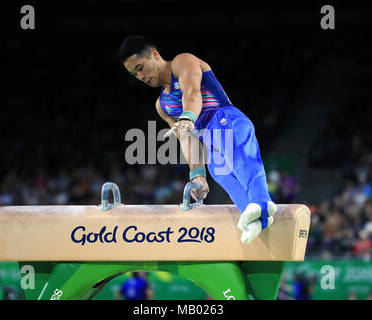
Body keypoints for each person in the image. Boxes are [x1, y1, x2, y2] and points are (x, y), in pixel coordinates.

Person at [117, 35, 277, 243]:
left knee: (237, 154)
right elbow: (188, 139)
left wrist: (187, 117)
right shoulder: (162, 105)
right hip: (211, 139)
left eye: (140, 67)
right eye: (134, 73)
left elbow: (192, 94)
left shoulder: (182, 62)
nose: (140, 76)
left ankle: (262, 202)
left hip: (226, 119)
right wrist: (197, 175)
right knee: (217, 170)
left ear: (154, 54)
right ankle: (257, 219)